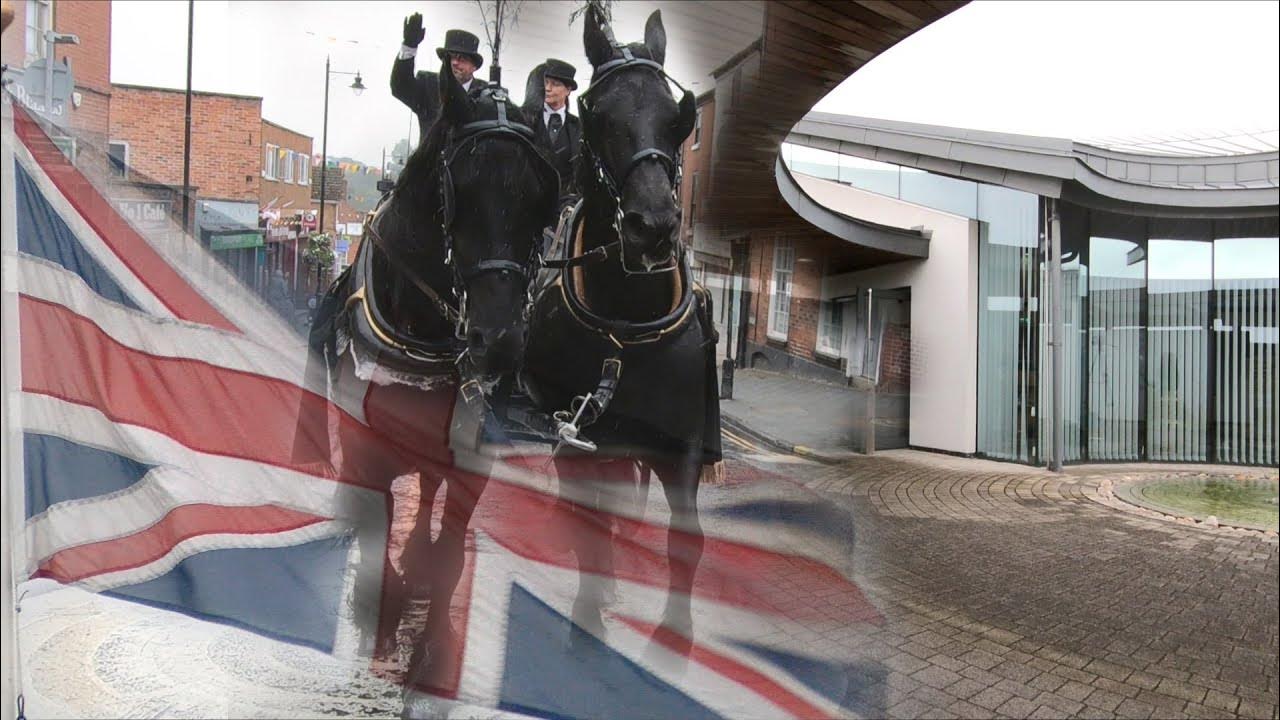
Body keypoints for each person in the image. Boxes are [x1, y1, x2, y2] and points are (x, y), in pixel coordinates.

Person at [391, 13, 488, 141]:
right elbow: (400, 87)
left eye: (462, 58)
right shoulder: (428, 86)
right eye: (450, 57)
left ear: (474, 66)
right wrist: (409, 46)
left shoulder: (486, 95)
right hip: (432, 160)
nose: (454, 62)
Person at [530, 59, 582, 200]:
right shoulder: (528, 121)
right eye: (546, 82)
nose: (548, 88)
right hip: (529, 204)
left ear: (568, 90)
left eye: (555, 84)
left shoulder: (579, 127)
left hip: (565, 208)